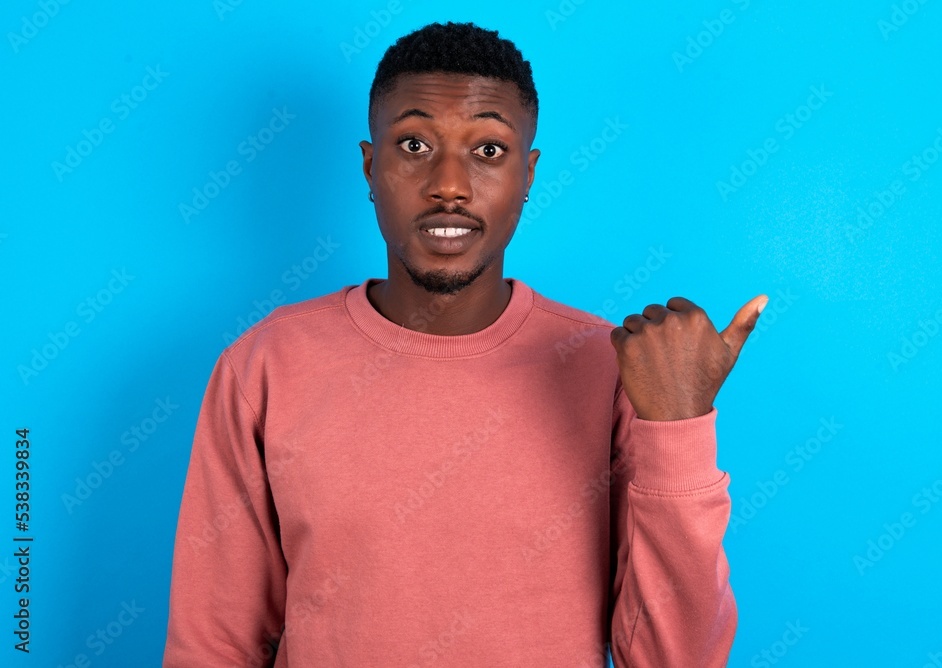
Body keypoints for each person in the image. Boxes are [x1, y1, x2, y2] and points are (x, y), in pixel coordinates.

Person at [162, 20, 767, 668]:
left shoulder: (611, 370)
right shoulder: (264, 368)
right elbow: (213, 646)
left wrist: (676, 427)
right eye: (415, 143)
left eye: (488, 151)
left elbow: (676, 658)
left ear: (528, 175)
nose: (448, 184)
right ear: (370, 165)